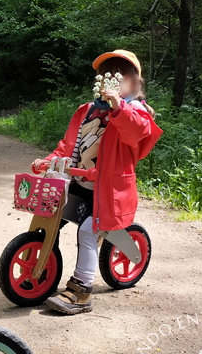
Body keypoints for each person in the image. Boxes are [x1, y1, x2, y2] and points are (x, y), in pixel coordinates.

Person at [37, 50, 162, 315]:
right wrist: (49, 161)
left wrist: (119, 106)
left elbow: (139, 132)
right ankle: (39, 268)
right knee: (49, 214)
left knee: (87, 231)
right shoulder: (89, 111)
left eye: (121, 76)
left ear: (135, 83)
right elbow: (68, 145)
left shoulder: (136, 112)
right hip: (80, 184)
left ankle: (82, 291)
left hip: (109, 191)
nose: (112, 81)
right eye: (107, 75)